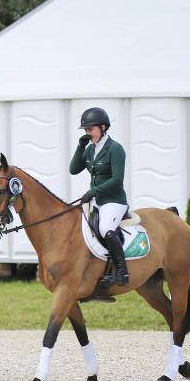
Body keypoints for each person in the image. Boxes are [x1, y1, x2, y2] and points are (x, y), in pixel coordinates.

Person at [69, 107, 129, 286]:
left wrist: (92, 192)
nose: (88, 133)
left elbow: (117, 180)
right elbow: (73, 169)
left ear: (103, 127)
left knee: (105, 228)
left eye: (91, 129)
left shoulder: (115, 149)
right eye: (86, 130)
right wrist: (81, 146)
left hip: (114, 201)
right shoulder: (90, 149)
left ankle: (122, 272)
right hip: (95, 201)